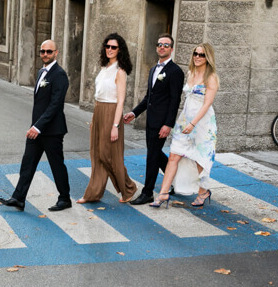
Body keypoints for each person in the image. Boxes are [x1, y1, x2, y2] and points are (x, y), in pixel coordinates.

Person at [0, 40, 72, 212]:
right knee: (28, 163)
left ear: (56, 53)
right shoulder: (41, 72)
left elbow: (55, 105)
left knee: (57, 165)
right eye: (42, 51)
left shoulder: (59, 75)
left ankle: (65, 198)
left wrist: (38, 126)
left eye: (48, 51)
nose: (45, 54)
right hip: (36, 129)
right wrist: (35, 126)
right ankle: (18, 198)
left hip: (52, 131)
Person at [151, 43, 219, 208]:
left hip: (202, 122)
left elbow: (207, 103)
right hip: (185, 119)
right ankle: (163, 194)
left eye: (201, 55)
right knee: (174, 155)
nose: (197, 57)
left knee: (199, 158)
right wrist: (184, 122)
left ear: (207, 57)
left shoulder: (212, 77)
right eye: (195, 53)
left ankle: (203, 191)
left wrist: (193, 123)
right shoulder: (191, 72)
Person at [123, 33, 184, 205]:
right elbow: (148, 97)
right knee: (156, 155)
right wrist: (134, 113)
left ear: (171, 49)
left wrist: (168, 124)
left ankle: (147, 192)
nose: (162, 47)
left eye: (166, 45)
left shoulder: (175, 72)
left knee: (152, 156)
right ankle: (177, 180)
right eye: (159, 44)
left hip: (161, 123)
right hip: (151, 121)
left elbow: (175, 101)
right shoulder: (153, 69)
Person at [77, 33, 137, 204]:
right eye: (107, 46)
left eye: (114, 47)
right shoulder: (104, 68)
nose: (110, 50)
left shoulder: (120, 71)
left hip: (112, 113)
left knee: (110, 155)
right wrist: (94, 118)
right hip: (99, 111)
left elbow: (120, 101)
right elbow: (99, 95)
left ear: (120, 50)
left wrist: (115, 126)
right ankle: (93, 194)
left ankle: (128, 188)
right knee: (97, 154)